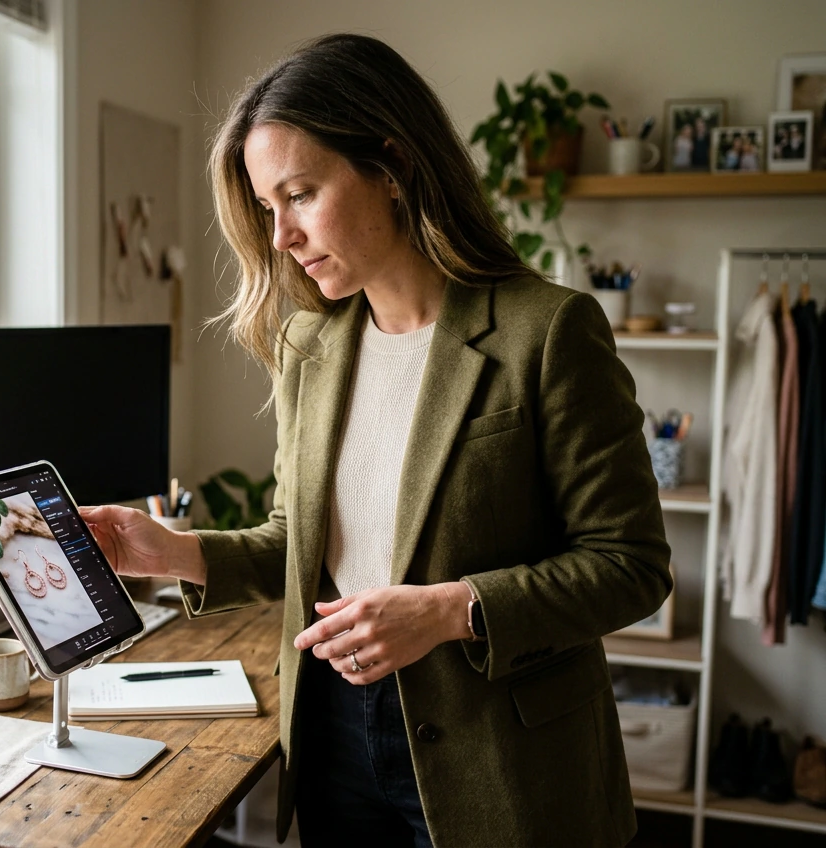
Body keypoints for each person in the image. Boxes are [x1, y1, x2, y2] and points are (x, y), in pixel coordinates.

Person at [80, 33, 671, 848]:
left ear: (390, 168)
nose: (281, 234)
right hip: (333, 737)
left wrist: (449, 610)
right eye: (266, 208)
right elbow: (300, 541)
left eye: (301, 194)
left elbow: (630, 566)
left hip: (504, 757)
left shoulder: (548, 331)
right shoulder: (309, 346)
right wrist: (174, 552)